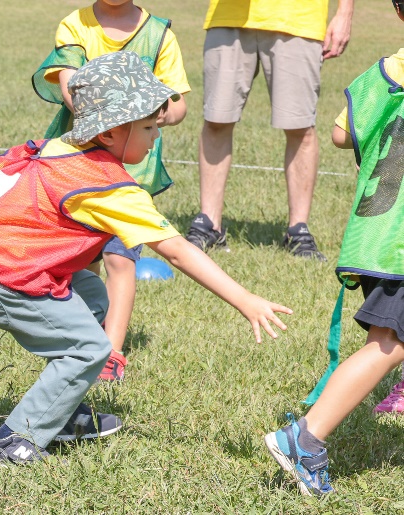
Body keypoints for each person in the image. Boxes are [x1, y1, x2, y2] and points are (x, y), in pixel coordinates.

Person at [0, 52, 291, 465]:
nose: (155, 137)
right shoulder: (106, 188)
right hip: (3, 274)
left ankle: (61, 410)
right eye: (147, 127)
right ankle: (14, 438)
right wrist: (245, 300)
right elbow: (177, 251)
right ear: (109, 133)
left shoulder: (59, 149)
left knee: (92, 295)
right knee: (88, 350)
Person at [265, 0, 404, 495]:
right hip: (398, 247)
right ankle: (306, 436)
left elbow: (342, 133)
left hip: (373, 235)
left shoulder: (384, 71)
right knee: (388, 345)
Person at [32, 0, 190, 381]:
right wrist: (122, 112)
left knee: (121, 258)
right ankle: (79, 339)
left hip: (129, 171)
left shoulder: (160, 33)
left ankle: (112, 352)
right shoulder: (75, 25)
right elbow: (72, 90)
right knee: (81, 260)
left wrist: (156, 115)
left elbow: (179, 103)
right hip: (81, 168)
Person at [185, 0, 354, 260]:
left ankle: (298, 231)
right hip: (227, 16)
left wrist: (345, 12)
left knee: (299, 126)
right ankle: (209, 225)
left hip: (299, 19)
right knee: (216, 119)